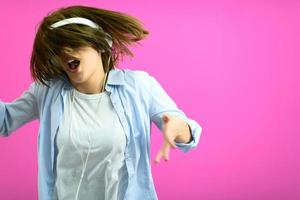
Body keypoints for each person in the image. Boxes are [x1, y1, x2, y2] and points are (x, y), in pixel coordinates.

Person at [0, 5, 202, 200]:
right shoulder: (46, 91)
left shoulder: (138, 86)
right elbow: (5, 121)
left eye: (74, 42)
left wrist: (178, 128)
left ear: (101, 44)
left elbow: (188, 133)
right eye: (57, 50)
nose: (65, 52)